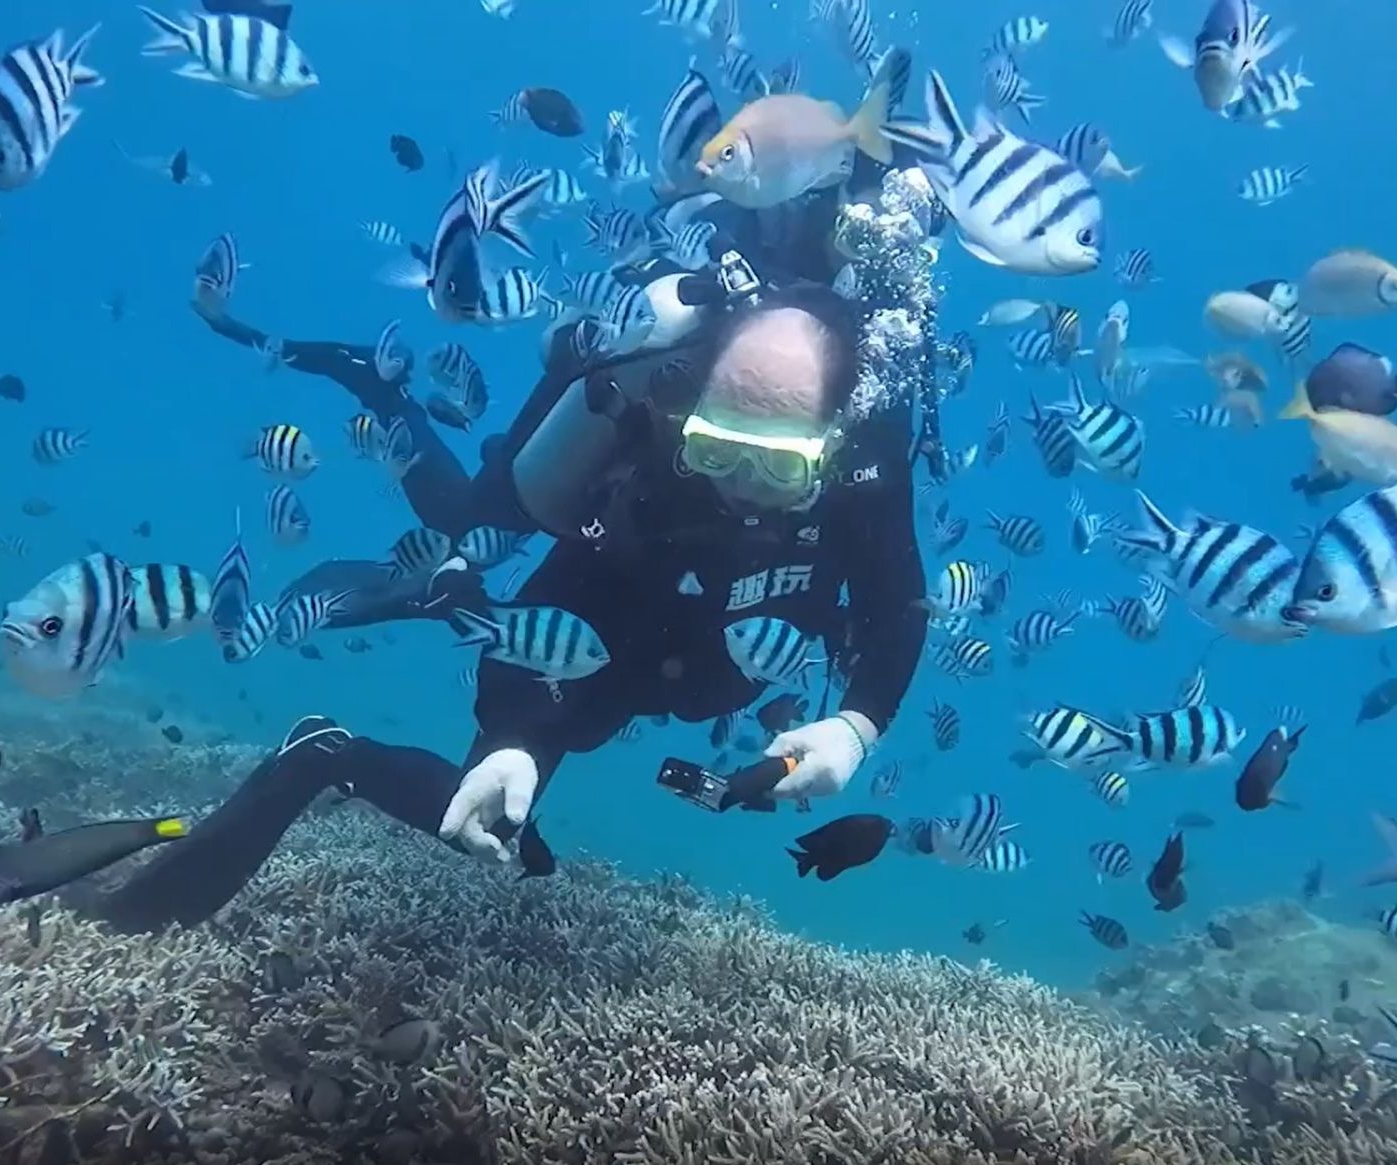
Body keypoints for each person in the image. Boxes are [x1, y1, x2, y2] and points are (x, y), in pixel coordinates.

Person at [102, 183, 932, 931]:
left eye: (780, 467)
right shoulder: (649, 448)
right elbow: (557, 596)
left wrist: (855, 726)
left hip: (716, 668)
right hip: (615, 636)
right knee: (469, 552)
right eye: (718, 449)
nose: (743, 484)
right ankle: (329, 741)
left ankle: (419, 522)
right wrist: (516, 738)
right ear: (688, 411)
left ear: (833, 444)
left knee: (463, 537)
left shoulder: (868, 469)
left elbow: (896, 606)